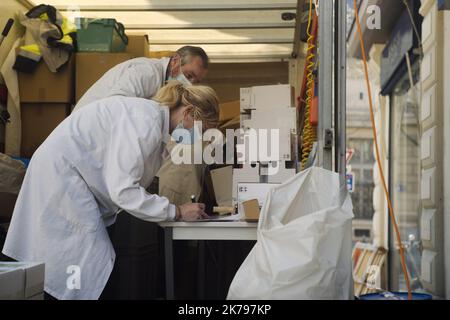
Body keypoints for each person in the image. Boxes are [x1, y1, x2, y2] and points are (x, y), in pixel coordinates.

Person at [2, 81, 220, 300]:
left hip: (73, 180)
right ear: (189, 113)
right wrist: (178, 212)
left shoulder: (153, 121)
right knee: (87, 266)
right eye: (202, 131)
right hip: (63, 179)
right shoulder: (146, 122)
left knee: (82, 268)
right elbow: (124, 191)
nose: (199, 139)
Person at [73, 46, 209, 111]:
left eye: (195, 82)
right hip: (86, 129)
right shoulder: (148, 73)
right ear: (175, 61)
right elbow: (114, 104)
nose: (189, 84)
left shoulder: (164, 83)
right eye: (189, 76)